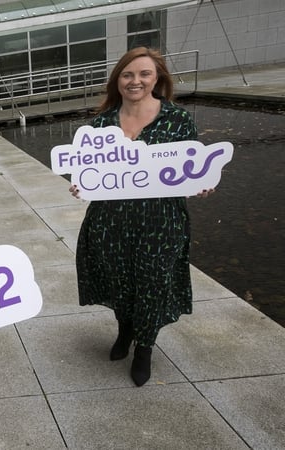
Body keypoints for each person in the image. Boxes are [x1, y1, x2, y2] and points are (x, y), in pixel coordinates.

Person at [69, 47, 213, 387]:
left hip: (160, 222)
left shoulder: (177, 120)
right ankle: (125, 330)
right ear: (117, 80)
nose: (135, 81)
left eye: (144, 74)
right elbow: (87, 173)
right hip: (110, 222)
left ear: (157, 78)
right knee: (119, 279)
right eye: (127, 74)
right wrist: (81, 184)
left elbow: (191, 170)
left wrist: (201, 183)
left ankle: (145, 348)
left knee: (152, 283)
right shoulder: (101, 124)